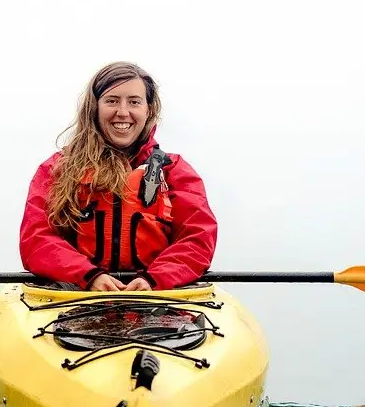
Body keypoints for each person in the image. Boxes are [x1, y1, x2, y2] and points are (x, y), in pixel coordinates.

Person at [19, 62, 217, 292]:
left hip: (157, 301)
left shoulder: (175, 171)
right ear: (94, 107)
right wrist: (89, 276)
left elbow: (198, 238)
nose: (123, 112)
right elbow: (37, 239)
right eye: (112, 101)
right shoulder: (57, 169)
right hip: (73, 297)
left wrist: (153, 280)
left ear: (149, 109)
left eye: (134, 102)